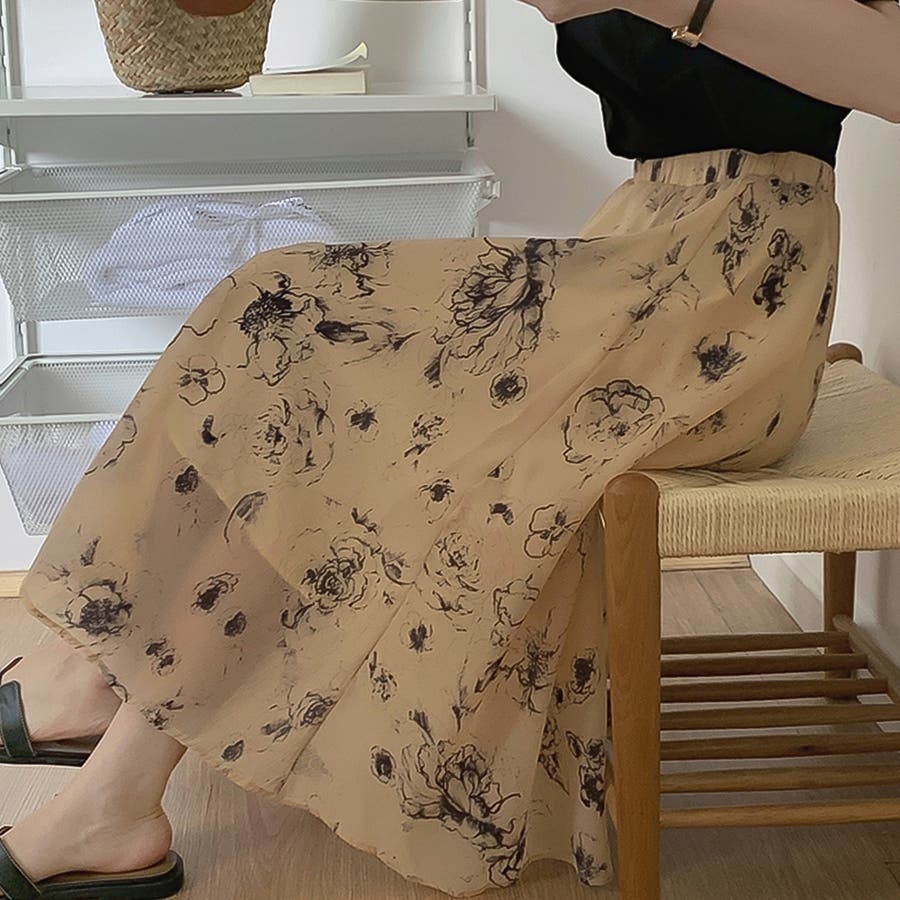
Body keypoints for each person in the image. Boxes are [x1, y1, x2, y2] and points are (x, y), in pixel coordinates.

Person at [2, 1, 899, 897]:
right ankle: (103, 685)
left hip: (739, 299)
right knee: (282, 331)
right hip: (638, 247)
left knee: (291, 314)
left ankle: (111, 754)